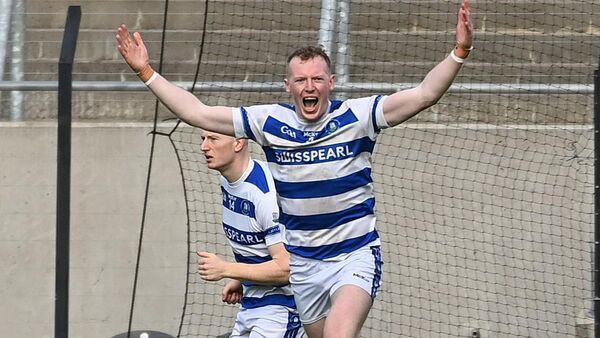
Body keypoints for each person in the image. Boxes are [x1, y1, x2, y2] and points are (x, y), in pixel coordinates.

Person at [116, 1, 473, 336]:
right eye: (301, 80)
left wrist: (459, 52)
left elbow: (425, 94)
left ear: (331, 83)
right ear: (288, 87)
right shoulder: (269, 121)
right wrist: (146, 71)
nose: (309, 87)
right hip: (303, 266)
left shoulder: (358, 116)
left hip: (354, 255)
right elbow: (198, 113)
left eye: (317, 79)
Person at [196, 130, 304, 338]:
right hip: (252, 304)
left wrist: (227, 269)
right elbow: (260, 246)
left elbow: (286, 269)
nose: (204, 147)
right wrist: (241, 278)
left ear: (238, 143)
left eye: (213, 139)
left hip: (282, 308)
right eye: (203, 139)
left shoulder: (265, 196)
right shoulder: (228, 182)